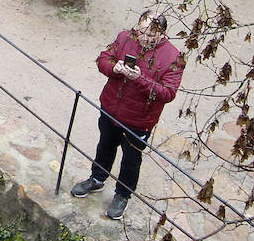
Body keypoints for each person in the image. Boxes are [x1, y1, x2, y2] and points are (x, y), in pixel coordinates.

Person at [70, 11, 184, 220]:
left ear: (162, 34)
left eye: (150, 34)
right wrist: (115, 68)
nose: (143, 37)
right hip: (111, 107)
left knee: (131, 159)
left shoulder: (173, 57)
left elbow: (168, 93)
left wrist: (139, 80)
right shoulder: (125, 37)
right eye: (141, 32)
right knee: (105, 144)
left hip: (139, 120)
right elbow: (104, 58)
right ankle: (97, 178)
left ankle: (122, 195)